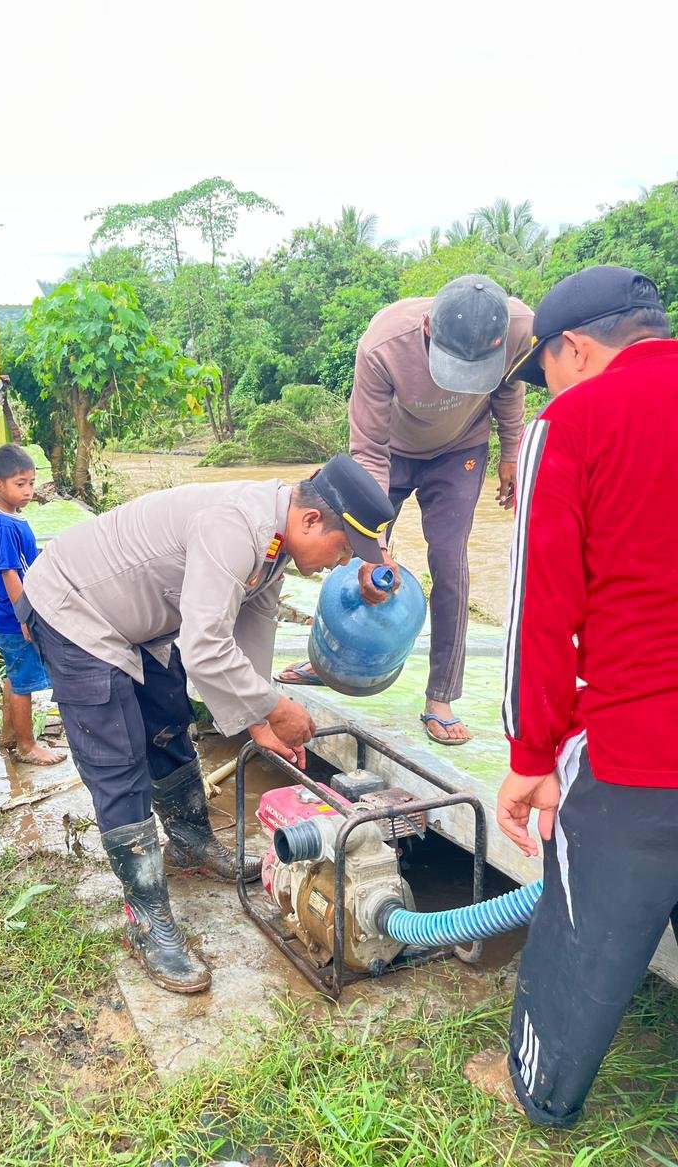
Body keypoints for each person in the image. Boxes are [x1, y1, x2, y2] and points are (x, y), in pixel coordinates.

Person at [16, 454, 395, 993]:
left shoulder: (275, 543)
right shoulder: (235, 526)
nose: (342, 563)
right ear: (311, 520)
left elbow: (252, 628)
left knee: (168, 723)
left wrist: (258, 721)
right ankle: (147, 920)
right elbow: (205, 647)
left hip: (139, 622)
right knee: (119, 761)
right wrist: (276, 707)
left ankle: (190, 841)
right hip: (74, 608)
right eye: (344, 549)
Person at [464, 266, 678, 1127]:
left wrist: (531, 755)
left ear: (575, 349)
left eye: (543, 369)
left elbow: (541, 611)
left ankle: (537, 1086)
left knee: (579, 925)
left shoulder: (575, 422)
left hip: (640, 751)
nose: (545, 388)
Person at [279, 274, 532, 745]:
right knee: (353, 547)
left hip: (461, 449)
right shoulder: (383, 345)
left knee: (450, 561)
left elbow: (509, 388)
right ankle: (326, 662)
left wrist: (512, 453)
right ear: (429, 328)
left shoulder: (517, 327)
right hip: (390, 453)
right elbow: (369, 452)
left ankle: (441, 696)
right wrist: (374, 541)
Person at [0, 443, 65, 767]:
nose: (28, 491)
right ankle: (26, 746)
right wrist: (25, 617)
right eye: (20, 484)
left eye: (31, 483)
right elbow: (9, 573)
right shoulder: (5, 526)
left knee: (15, 675)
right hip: (13, 620)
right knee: (23, 684)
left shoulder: (11, 519)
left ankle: (9, 735)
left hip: (8, 618)